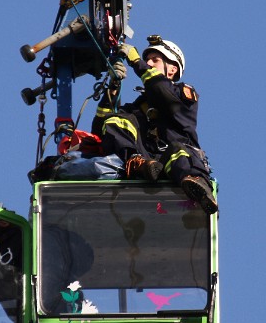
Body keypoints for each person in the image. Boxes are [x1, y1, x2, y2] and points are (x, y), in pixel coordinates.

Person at [92, 35, 218, 215]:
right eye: (146, 60)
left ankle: (197, 191)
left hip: (180, 166)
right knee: (116, 120)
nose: (149, 63)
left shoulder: (182, 94)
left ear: (172, 69)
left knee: (178, 151)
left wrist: (136, 62)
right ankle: (137, 163)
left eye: (155, 60)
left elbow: (162, 92)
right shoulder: (136, 109)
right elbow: (100, 130)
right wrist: (112, 88)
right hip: (148, 166)